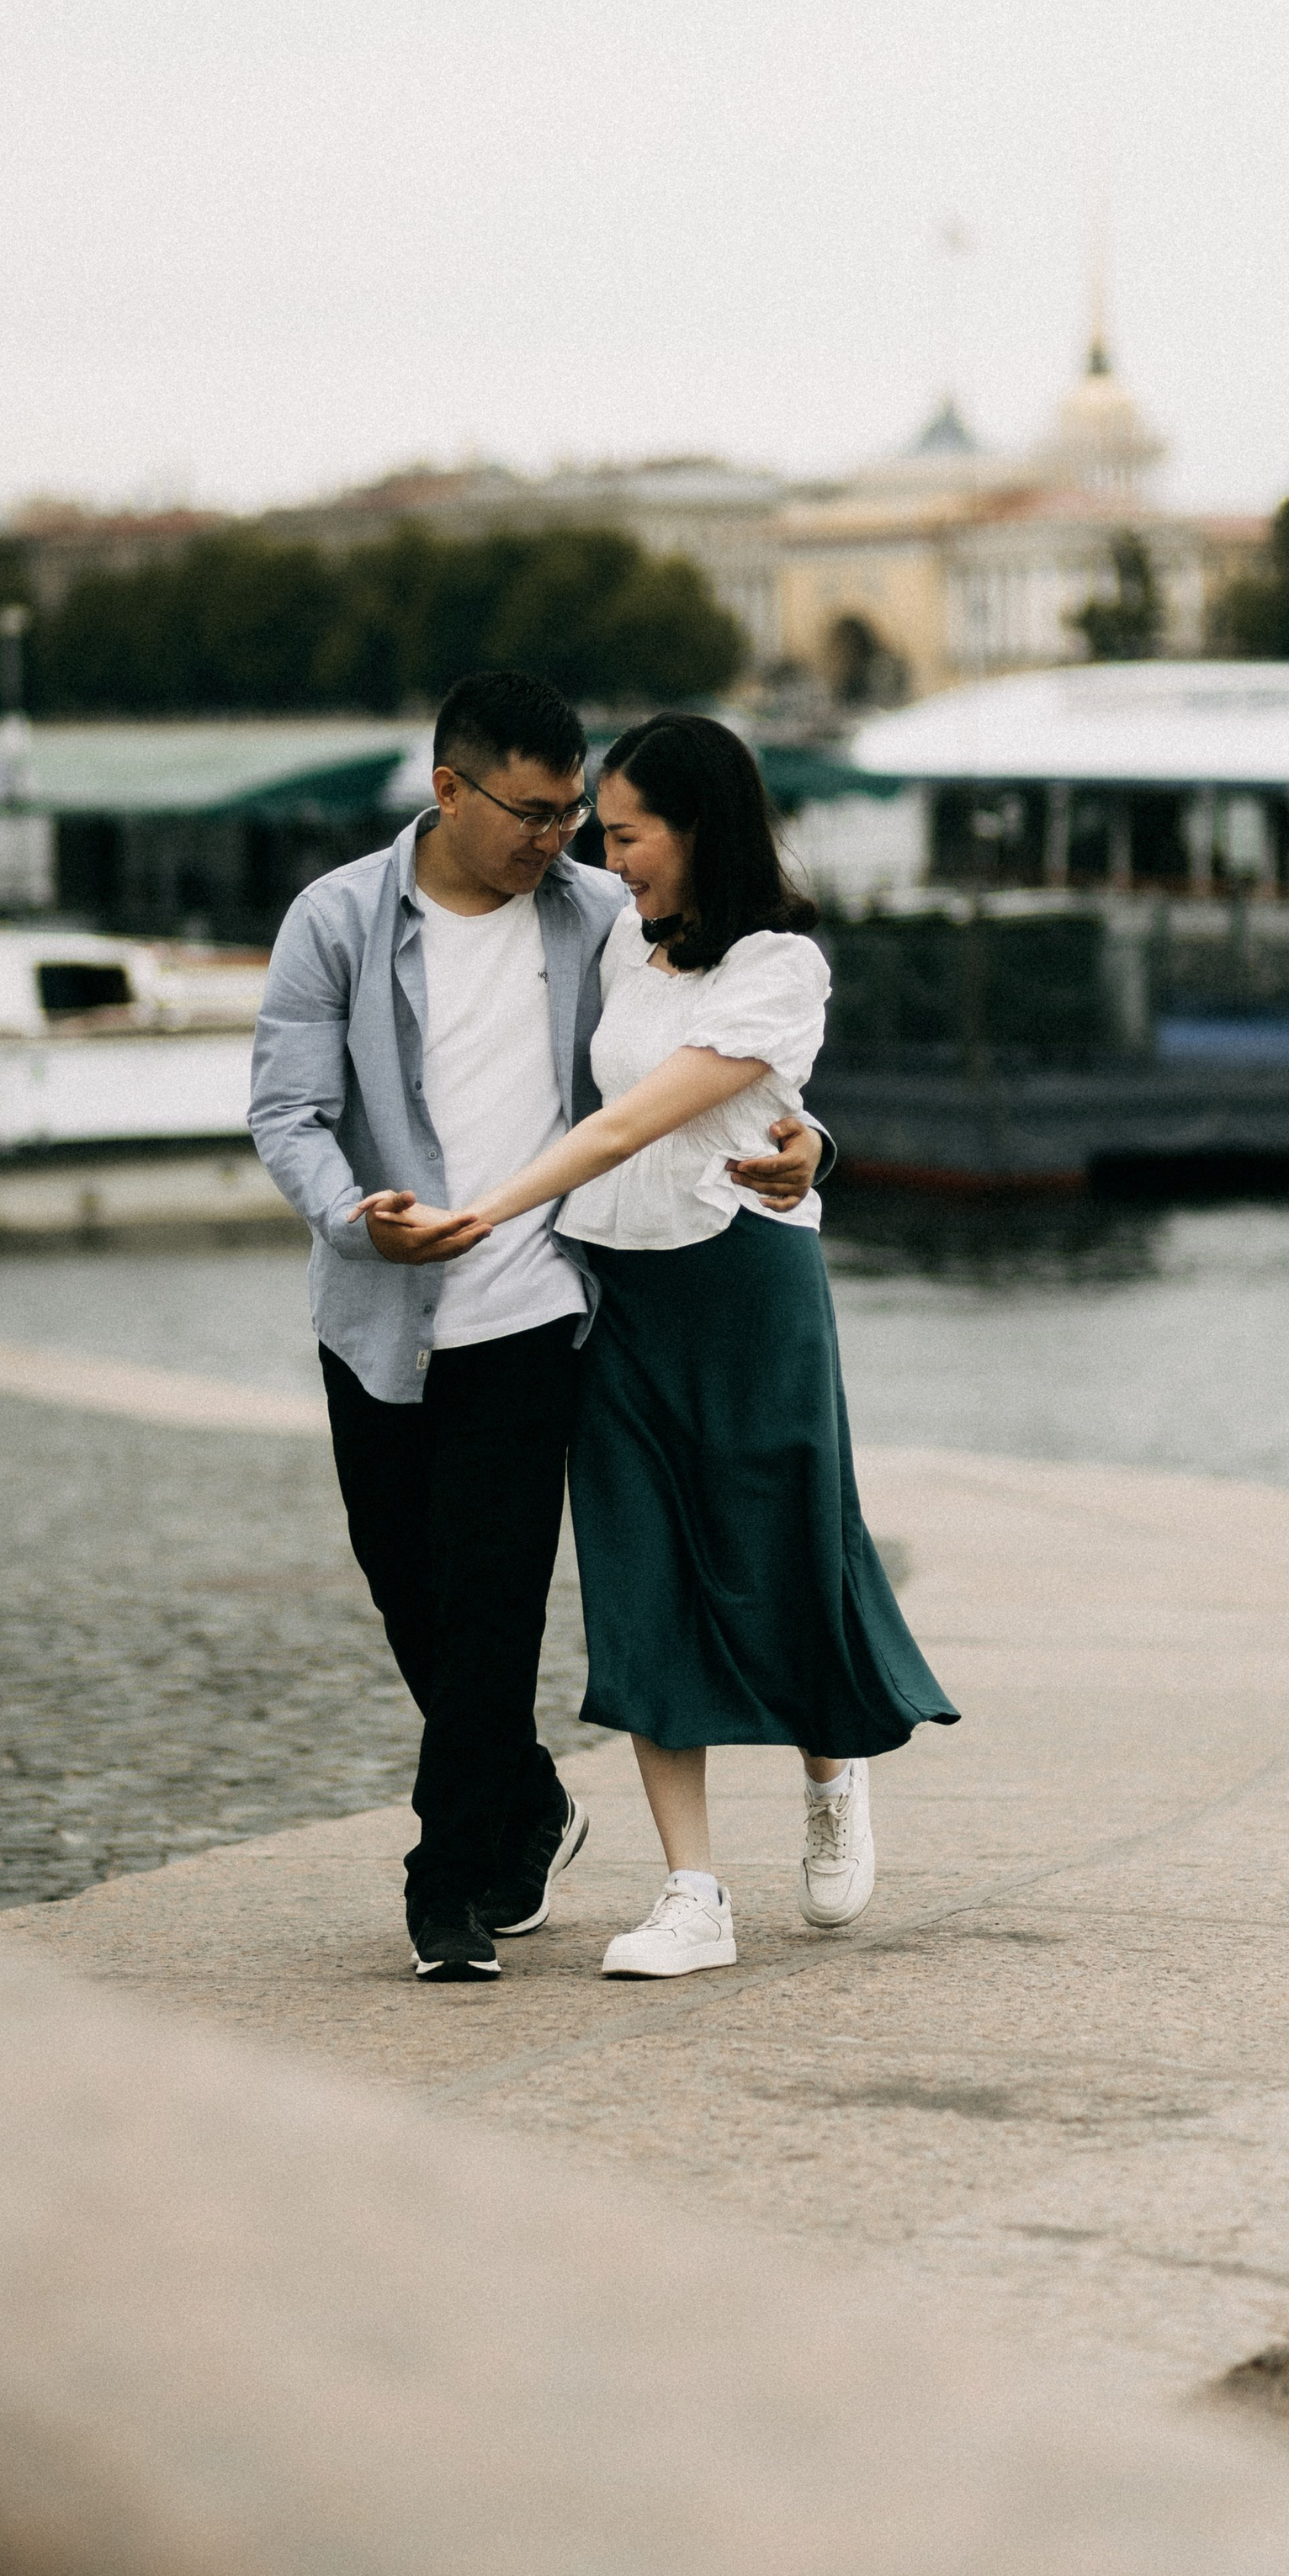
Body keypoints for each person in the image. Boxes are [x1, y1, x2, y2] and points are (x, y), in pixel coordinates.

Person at [248, 671, 825, 1986]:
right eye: (532, 812)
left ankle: (448, 1888)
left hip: (542, 1310)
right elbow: (286, 1112)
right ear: (448, 789)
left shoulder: (599, 916)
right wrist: (353, 1216)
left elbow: (716, 1055)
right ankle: (526, 1804)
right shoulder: (334, 921)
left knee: (495, 1604)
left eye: (576, 814)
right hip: (378, 1312)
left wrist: (810, 1144)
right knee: (409, 1590)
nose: (557, 840)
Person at [360, 710, 956, 1982]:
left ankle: (831, 1769)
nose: (603, 855)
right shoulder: (624, 937)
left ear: (700, 830)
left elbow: (635, 1122)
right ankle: (694, 1893)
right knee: (636, 1578)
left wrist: (488, 1211)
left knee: (782, 1545)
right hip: (618, 1298)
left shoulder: (781, 966)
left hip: (743, 1287)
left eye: (626, 834)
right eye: (599, 832)